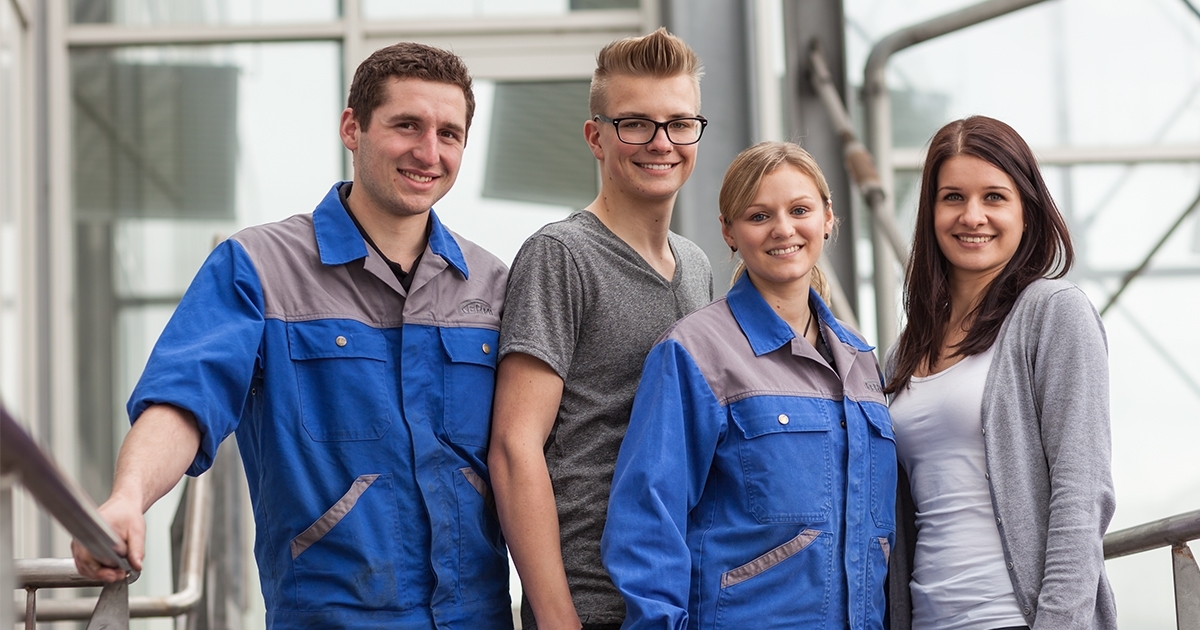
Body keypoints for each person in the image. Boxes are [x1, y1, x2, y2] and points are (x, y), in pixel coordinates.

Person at [71, 42, 513, 629]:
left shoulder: (492, 284)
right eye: (406, 125)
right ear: (352, 128)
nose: (428, 152)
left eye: (449, 134)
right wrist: (128, 497)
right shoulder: (259, 268)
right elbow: (185, 399)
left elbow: (529, 451)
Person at [600, 141, 896, 630]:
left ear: (827, 218)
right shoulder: (695, 352)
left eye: (799, 210)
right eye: (759, 216)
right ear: (729, 231)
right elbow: (646, 521)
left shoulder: (860, 358)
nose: (783, 229)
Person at [488, 28, 714, 630]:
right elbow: (514, 448)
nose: (661, 142)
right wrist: (557, 617)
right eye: (635, 124)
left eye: (679, 123)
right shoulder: (561, 255)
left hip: (681, 600)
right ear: (596, 136)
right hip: (594, 605)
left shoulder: (697, 266)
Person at [884, 116, 1116, 630]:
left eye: (994, 197)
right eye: (953, 197)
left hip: (1016, 618)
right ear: (930, 212)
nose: (972, 216)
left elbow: (1082, 493)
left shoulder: (1053, 313)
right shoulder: (903, 353)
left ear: (1026, 212)